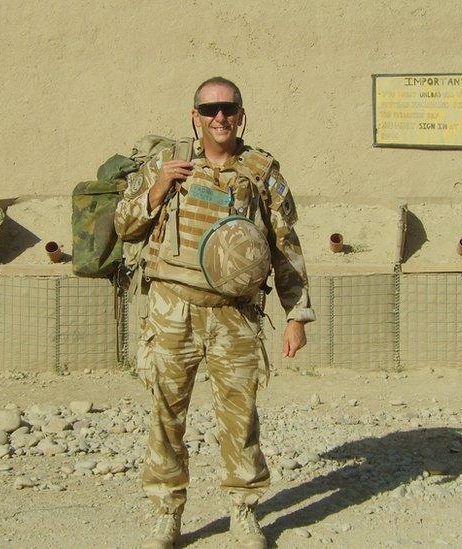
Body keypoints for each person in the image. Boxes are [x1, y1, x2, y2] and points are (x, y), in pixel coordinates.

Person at [114, 76, 315, 549]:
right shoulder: (168, 164)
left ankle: (244, 511)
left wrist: (296, 314)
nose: (219, 117)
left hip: (235, 315)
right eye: (210, 110)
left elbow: (284, 245)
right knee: (166, 414)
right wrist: (157, 189)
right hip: (172, 310)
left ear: (242, 114)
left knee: (240, 417)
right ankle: (167, 514)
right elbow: (124, 226)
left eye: (228, 108)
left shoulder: (260, 171)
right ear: (194, 116)